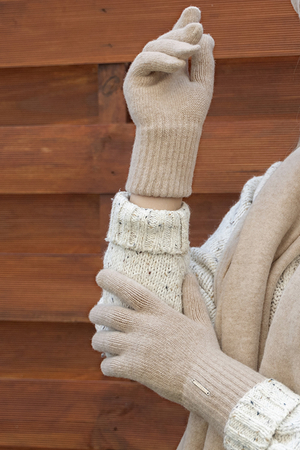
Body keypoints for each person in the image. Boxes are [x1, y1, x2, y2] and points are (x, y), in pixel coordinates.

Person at [89, 6, 300, 449]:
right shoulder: (280, 191)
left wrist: (199, 375)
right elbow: (127, 329)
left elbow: (184, 360)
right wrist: (166, 141)